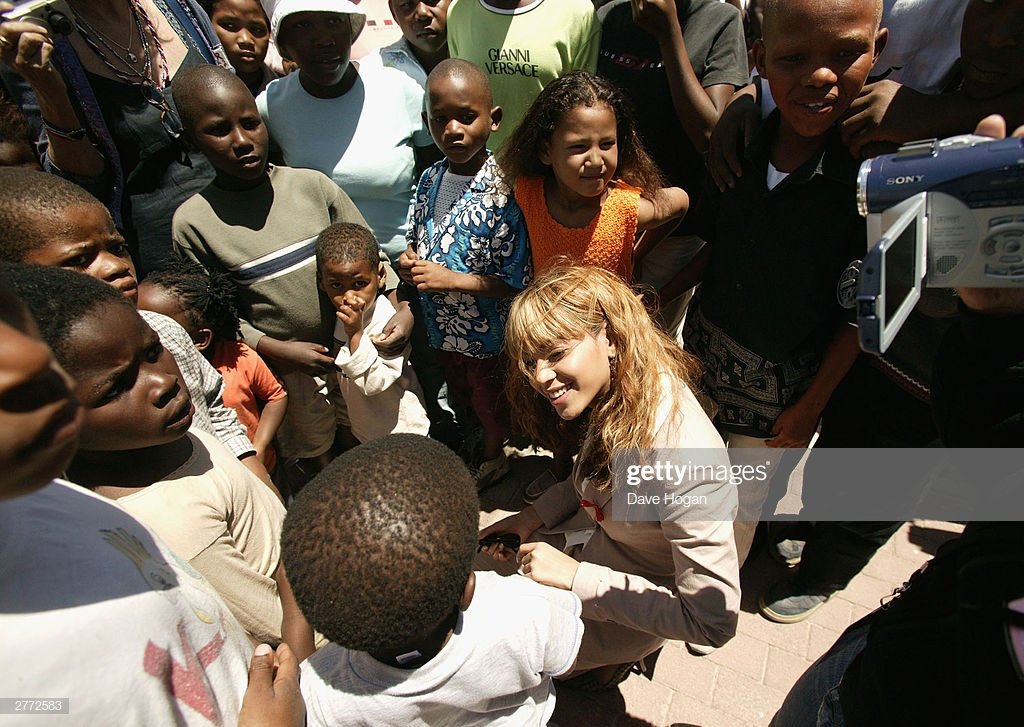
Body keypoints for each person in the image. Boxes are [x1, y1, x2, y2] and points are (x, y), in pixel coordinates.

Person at [0, 281, 305, 727]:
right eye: (114, 388)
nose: (163, 382)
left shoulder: (170, 438)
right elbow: (281, 636)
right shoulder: (173, 524)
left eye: (152, 352)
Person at [681, 0, 886, 566]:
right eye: (795, 58)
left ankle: (717, 594)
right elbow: (719, 248)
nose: (819, 76)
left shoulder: (867, 182)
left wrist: (812, 405)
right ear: (760, 60)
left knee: (743, 504)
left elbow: (857, 313)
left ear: (879, 49)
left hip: (778, 405)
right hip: (701, 360)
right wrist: (659, 292)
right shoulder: (741, 145)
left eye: (845, 54)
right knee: (688, 479)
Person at [479, 265, 740, 689]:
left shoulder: (682, 457)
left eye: (556, 353)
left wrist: (576, 578)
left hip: (624, 605)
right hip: (591, 553)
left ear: (612, 338)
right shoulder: (620, 392)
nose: (539, 377)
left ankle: (609, 662)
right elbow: (589, 479)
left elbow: (712, 623)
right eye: (530, 360)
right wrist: (528, 519)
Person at [170, 63, 413, 474]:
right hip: (289, 369)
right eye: (219, 130)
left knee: (371, 434)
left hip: (358, 348)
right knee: (316, 449)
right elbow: (212, 315)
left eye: (250, 123)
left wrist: (400, 309)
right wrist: (274, 348)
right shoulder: (194, 223)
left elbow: (374, 259)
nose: (242, 141)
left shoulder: (311, 187)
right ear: (193, 140)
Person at [283, 434, 584, 725]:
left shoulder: (321, 687)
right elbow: (564, 653)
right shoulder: (519, 609)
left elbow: (303, 694)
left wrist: (295, 614)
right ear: (467, 588)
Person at [0, 167, 269, 484]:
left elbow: (215, 406)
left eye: (116, 247)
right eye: (79, 259)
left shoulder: (163, 329)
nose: (116, 267)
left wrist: (253, 473)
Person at [0, 0, 233, 275]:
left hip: (253, 233)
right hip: (167, 270)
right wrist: (49, 89)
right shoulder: (30, 37)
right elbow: (81, 185)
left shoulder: (180, 7)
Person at [398, 59, 530, 487]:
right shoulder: (431, 176)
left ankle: (495, 457)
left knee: (491, 399)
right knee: (461, 392)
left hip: (487, 334)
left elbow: (518, 279)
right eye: (440, 120)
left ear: (492, 120)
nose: (453, 130)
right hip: (443, 328)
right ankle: (478, 440)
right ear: (427, 123)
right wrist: (411, 258)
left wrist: (450, 279)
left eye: (466, 117)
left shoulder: (506, 188)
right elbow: (419, 234)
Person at [256, 0, 437, 265]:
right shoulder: (271, 105)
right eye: (303, 25)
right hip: (329, 276)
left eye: (333, 21)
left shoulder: (401, 89)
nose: (323, 40)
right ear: (284, 43)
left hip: (409, 267)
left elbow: (436, 181)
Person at [499, 70, 689, 284]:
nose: (597, 161)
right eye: (579, 147)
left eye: (607, 144)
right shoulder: (528, 195)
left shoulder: (625, 210)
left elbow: (680, 201)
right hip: (547, 317)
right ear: (545, 151)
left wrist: (637, 252)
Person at [139, 258, 289, 474]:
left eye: (158, 325)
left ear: (201, 339)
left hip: (258, 466)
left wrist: (260, 446)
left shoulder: (240, 358)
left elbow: (276, 396)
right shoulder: (153, 377)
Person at [317, 222, 429, 445]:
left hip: (403, 431)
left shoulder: (386, 320)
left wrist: (356, 334)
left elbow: (374, 383)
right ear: (322, 283)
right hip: (369, 430)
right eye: (336, 285)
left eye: (360, 283)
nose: (349, 296)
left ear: (380, 275)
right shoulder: (344, 318)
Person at [446, 0, 600, 149]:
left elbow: (583, 105)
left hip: (545, 166)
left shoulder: (577, 12)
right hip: (479, 169)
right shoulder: (459, 11)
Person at [199, 0, 285, 95]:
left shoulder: (285, 95)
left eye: (257, 29)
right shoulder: (194, 89)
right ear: (207, 25)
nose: (246, 40)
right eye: (230, 25)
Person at [361, 0, 450, 88]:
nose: (422, 13)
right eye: (407, 4)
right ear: (394, 13)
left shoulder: (464, 55)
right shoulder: (373, 72)